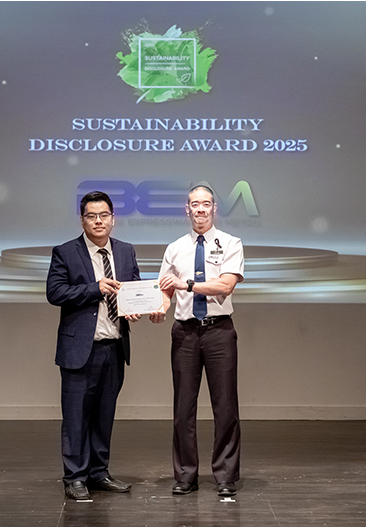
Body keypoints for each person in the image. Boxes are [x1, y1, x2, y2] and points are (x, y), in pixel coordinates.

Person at [46, 191, 143, 501]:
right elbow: (55, 292)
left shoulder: (125, 251)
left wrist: (136, 307)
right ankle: (75, 477)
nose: (98, 221)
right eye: (92, 216)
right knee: (76, 417)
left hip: (114, 347)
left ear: (113, 219)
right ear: (82, 220)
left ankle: (98, 473)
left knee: (104, 415)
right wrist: (95, 288)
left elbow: (134, 287)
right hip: (80, 350)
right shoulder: (65, 252)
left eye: (104, 215)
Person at [151, 184, 245, 497]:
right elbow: (165, 289)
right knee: (183, 408)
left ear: (214, 208)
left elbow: (225, 286)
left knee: (226, 406)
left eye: (206, 204)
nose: (200, 209)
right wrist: (159, 309)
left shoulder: (230, 243)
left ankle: (225, 476)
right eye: (195, 204)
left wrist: (187, 285)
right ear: (187, 209)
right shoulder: (175, 248)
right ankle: (185, 476)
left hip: (219, 331)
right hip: (185, 332)